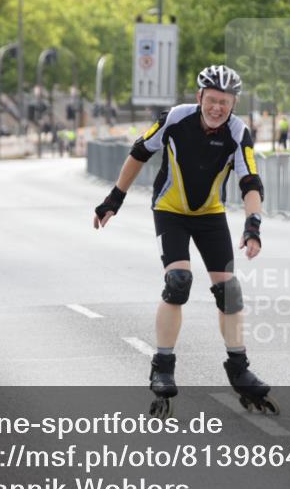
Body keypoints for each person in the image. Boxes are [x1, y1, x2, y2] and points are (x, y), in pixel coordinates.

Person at [93, 65, 276, 417]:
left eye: (225, 102)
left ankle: (239, 369)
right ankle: (162, 364)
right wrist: (115, 198)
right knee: (178, 282)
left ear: (234, 103)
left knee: (229, 291)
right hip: (170, 211)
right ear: (199, 98)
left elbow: (251, 182)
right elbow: (139, 152)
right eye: (212, 100)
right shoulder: (175, 118)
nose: (217, 108)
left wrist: (253, 226)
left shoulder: (238, 132)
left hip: (210, 215)